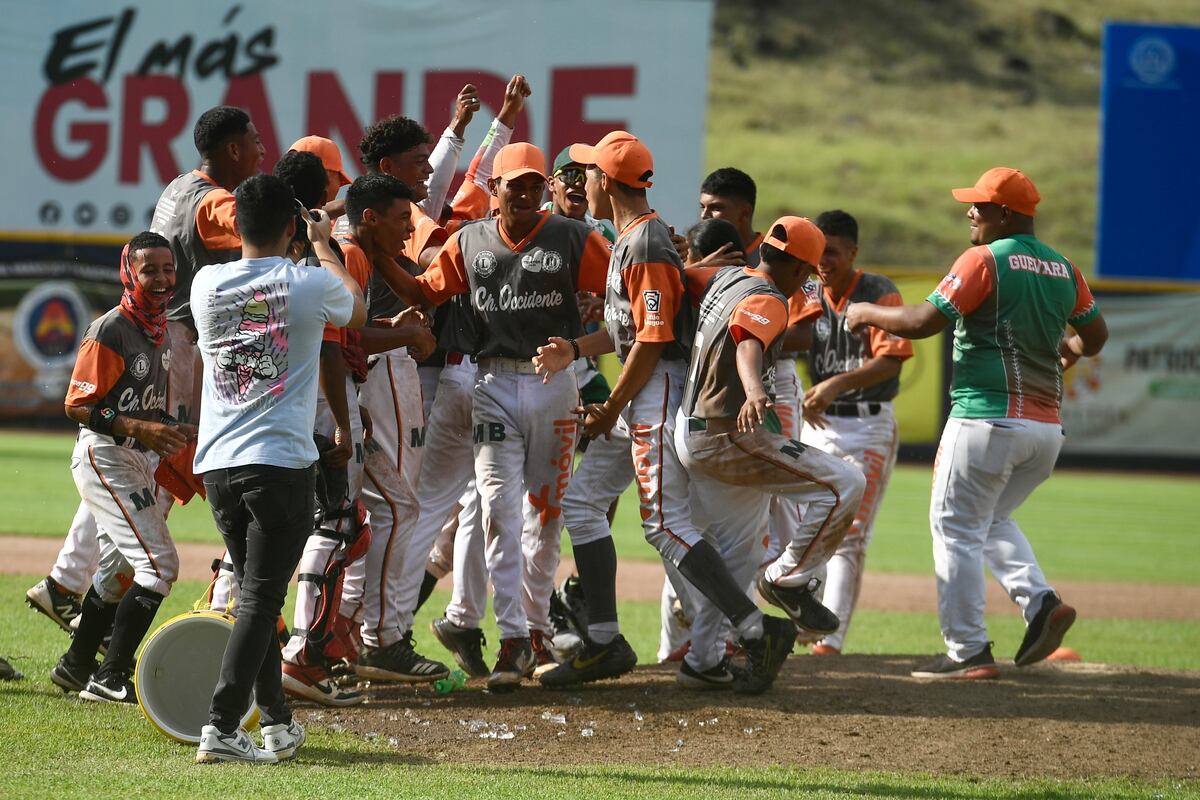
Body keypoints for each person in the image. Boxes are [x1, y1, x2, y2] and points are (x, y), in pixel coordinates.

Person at [532, 133, 799, 695]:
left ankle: (754, 629)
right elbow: (627, 328)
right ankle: (604, 639)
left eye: (589, 174)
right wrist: (576, 349)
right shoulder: (631, 237)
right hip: (640, 390)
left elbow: (651, 340)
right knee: (582, 505)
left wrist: (610, 411)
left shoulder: (646, 242)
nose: (582, 183)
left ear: (607, 181)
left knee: (663, 524)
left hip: (653, 392)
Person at [845, 167, 1107, 679]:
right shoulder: (1064, 268)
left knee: (955, 528)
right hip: (1045, 432)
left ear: (1005, 214)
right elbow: (1095, 337)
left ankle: (967, 651)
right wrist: (1067, 354)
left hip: (985, 420)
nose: (970, 212)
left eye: (980, 206)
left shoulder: (985, 259)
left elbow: (923, 322)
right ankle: (1042, 604)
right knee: (988, 521)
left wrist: (865, 312)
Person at [385, 142, 612, 690]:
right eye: (518, 185)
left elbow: (627, 298)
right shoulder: (469, 241)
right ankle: (513, 638)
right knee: (495, 509)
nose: (530, 194)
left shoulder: (575, 237)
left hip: (554, 384)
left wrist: (581, 348)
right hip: (491, 383)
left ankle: (536, 628)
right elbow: (425, 289)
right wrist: (376, 260)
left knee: (547, 513)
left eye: (537, 185)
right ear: (497, 190)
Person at [192, 173, 365, 763]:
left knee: (255, 598)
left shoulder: (205, 283)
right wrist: (320, 243)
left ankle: (275, 723)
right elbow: (358, 309)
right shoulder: (310, 282)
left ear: (235, 225)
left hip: (217, 466)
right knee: (262, 601)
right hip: (280, 464)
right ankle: (219, 726)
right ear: (292, 225)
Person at [674, 216, 866, 658]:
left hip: (690, 429)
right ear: (800, 270)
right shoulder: (772, 298)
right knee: (845, 484)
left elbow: (681, 283)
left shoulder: (725, 278)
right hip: (726, 436)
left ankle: (704, 659)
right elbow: (748, 342)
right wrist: (757, 390)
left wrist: (689, 264)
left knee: (737, 556)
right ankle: (788, 580)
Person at [50, 232, 190, 704]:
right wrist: (142, 429)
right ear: (129, 272)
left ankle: (76, 665)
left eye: (168, 269)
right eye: (150, 270)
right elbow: (76, 404)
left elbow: (152, 411)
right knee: (159, 566)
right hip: (104, 453)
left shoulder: (162, 329)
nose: (162, 279)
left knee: (116, 573)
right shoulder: (111, 328)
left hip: (133, 456)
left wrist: (179, 434)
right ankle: (109, 678)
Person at [800, 210, 913, 655]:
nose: (821, 259)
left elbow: (891, 358)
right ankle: (808, 617)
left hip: (867, 424)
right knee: (805, 522)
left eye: (831, 251)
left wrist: (831, 385)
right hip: (817, 424)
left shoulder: (877, 291)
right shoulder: (806, 288)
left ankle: (830, 640)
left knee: (851, 532)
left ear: (852, 252)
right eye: (816, 251)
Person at [699, 167, 762, 265]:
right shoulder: (694, 254)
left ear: (745, 212)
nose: (704, 215)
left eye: (716, 208)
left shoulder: (770, 256)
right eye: (702, 207)